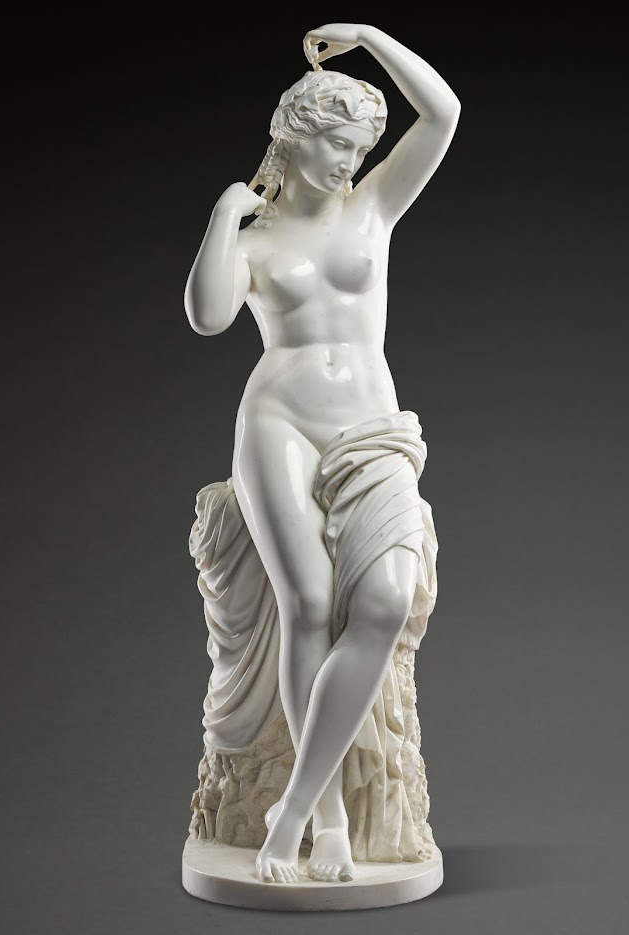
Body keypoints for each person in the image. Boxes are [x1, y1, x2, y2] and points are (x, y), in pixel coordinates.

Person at [184, 23, 460, 885]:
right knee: (307, 603)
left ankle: (295, 806)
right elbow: (208, 316)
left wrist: (371, 37)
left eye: (360, 147)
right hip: (279, 421)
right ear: (294, 136)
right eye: (337, 142)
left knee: (382, 602)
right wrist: (225, 215)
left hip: (370, 427)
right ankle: (330, 816)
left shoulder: (371, 208)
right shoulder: (258, 239)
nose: (350, 160)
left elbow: (443, 113)